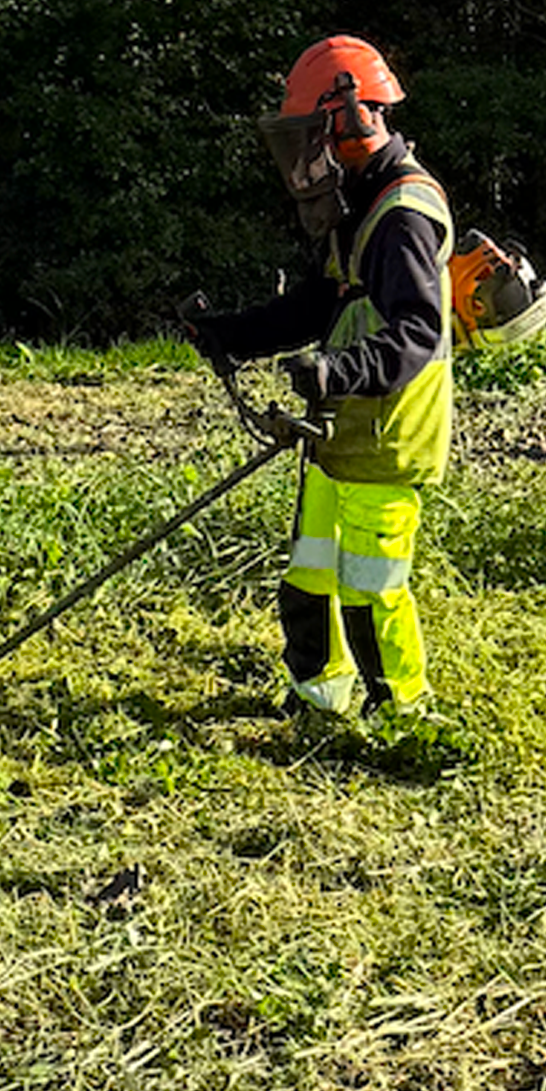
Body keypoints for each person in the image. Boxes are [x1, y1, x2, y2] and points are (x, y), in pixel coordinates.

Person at [189, 36, 454, 724]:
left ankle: (400, 716)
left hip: (388, 432)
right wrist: (232, 333)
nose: (305, 157)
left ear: (352, 118)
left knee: (371, 586)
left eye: (314, 135)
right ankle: (320, 696)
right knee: (310, 571)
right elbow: (316, 304)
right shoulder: (356, 205)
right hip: (341, 427)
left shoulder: (402, 215)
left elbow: (419, 332)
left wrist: (338, 369)